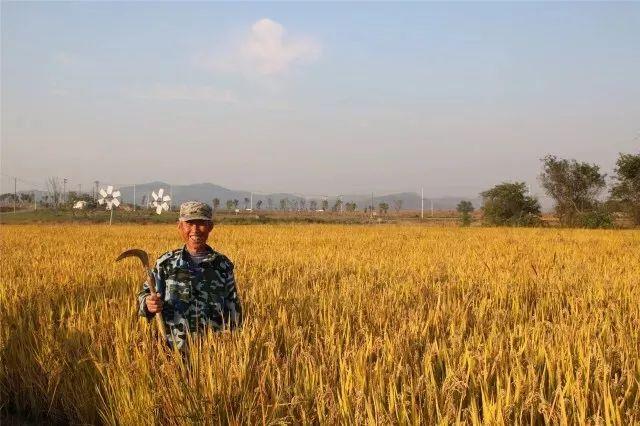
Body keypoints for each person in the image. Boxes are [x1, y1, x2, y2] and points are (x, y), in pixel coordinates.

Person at [137, 201, 242, 350]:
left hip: (214, 352)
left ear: (210, 227)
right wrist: (148, 303)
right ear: (179, 226)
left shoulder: (222, 265)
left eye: (201, 223)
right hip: (174, 349)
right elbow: (145, 294)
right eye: (189, 223)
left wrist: (236, 345)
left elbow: (233, 307)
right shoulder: (165, 264)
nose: (195, 230)